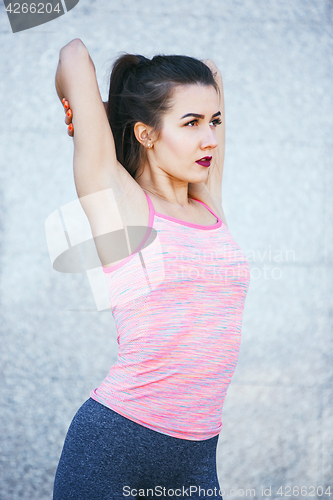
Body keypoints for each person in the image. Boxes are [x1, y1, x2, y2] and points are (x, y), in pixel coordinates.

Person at [53, 38, 250, 500]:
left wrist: (114, 111)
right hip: (114, 446)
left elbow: (212, 70)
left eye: (215, 121)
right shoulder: (120, 203)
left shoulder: (206, 200)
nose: (211, 139)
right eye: (192, 123)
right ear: (145, 134)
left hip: (198, 456)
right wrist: (87, 114)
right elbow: (74, 54)